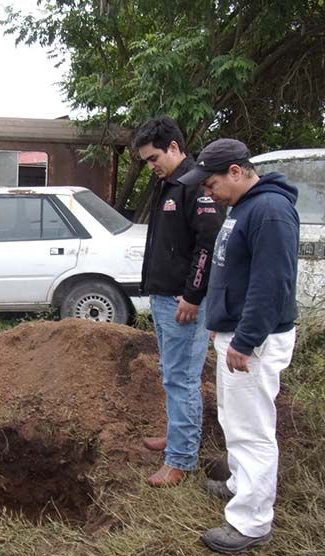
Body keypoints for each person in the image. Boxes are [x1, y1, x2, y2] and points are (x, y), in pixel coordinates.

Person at [178, 138, 300, 553]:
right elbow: (234, 271)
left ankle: (251, 521)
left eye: (210, 184)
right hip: (235, 332)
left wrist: (245, 338)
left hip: (256, 341)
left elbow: (272, 283)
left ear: (235, 172)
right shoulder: (244, 207)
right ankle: (238, 484)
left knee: (252, 431)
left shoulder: (270, 211)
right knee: (234, 418)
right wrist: (219, 322)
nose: (207, 193)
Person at [133, 117, 226, 487]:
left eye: (154, 158)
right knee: (171, 375)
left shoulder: (195, 187)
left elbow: (208, 243)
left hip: (182, 301)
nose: (150, 166)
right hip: (163, 296)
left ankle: (181, 460)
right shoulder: (169, 184)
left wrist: (192, 294)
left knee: (183, 379)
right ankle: (176, 438)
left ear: (174, 147)